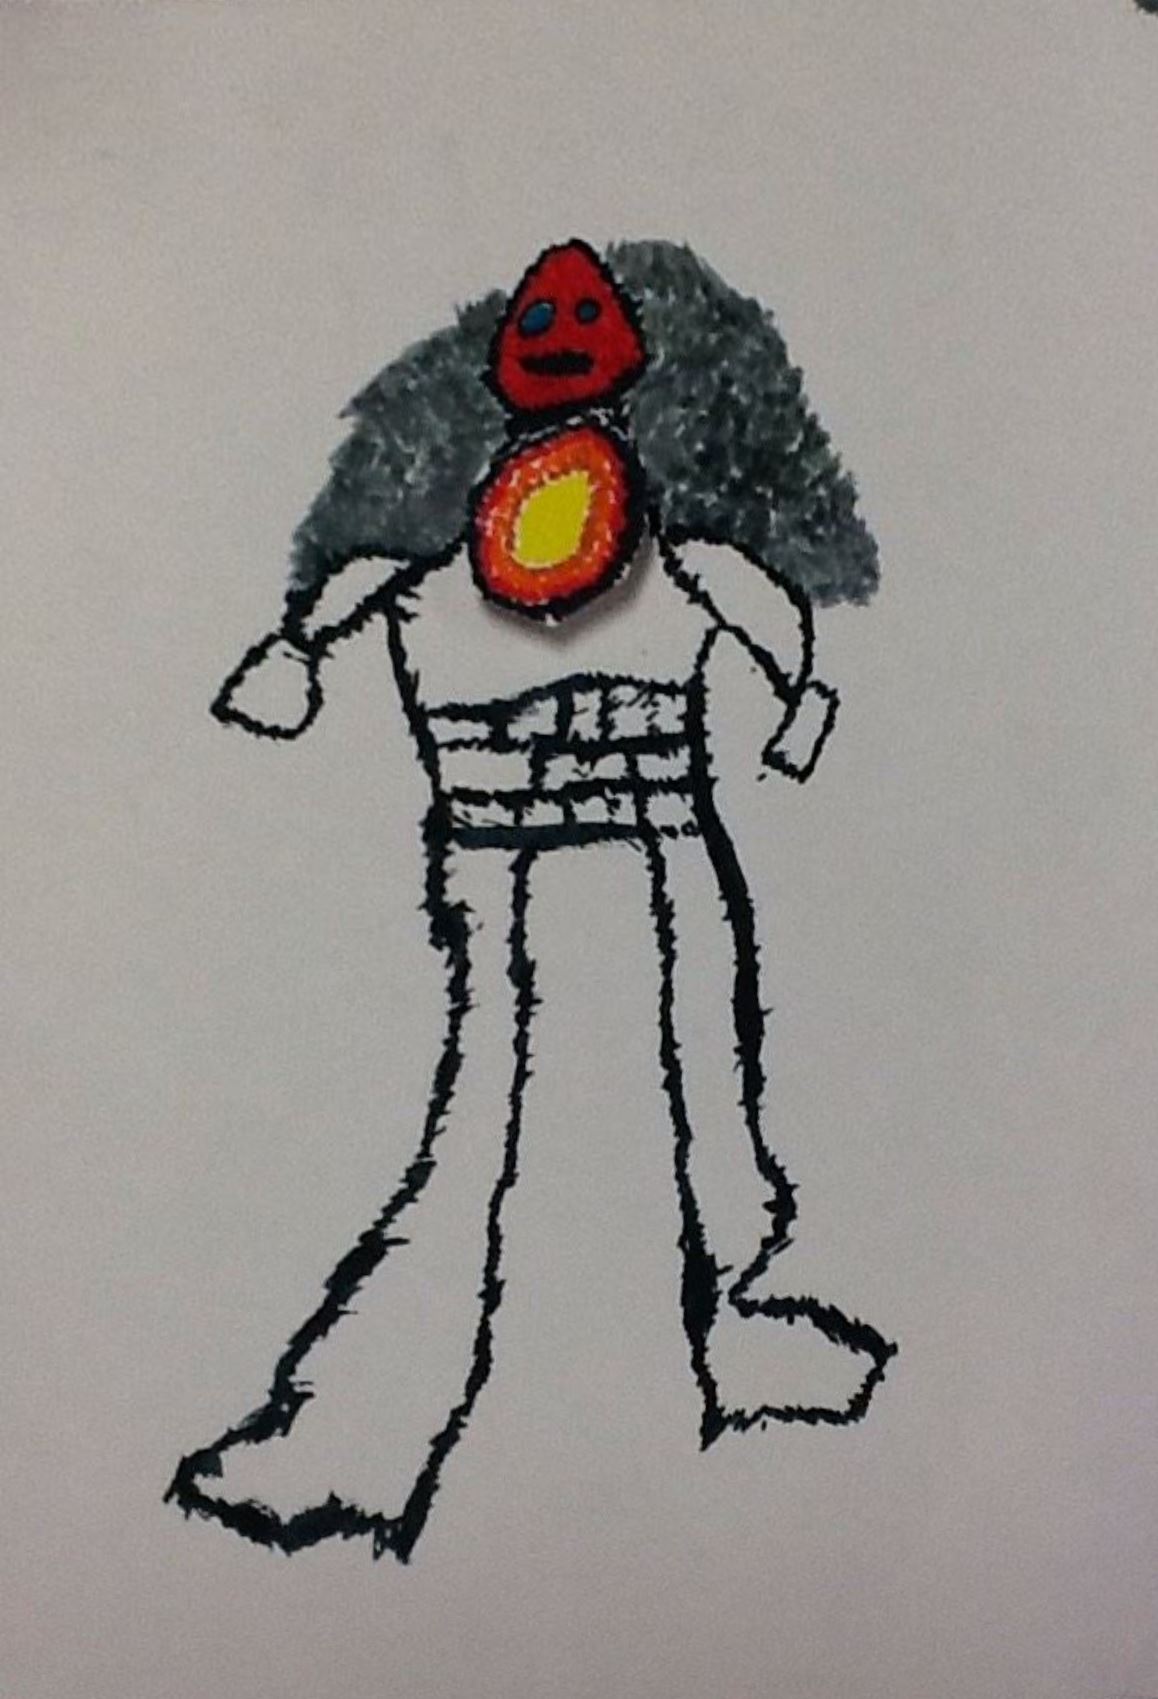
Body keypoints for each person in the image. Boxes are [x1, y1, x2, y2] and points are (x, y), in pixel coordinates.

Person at [167, 239, 896, 1563]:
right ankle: (408, 1405)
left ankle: (707, 1325)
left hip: (649, 882)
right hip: (524, 894)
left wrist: (798, 708)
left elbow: (777, 641)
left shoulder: (664, 569)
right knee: (502, 1130)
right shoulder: (434, 581)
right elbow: (777, 649)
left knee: (694, 1109)